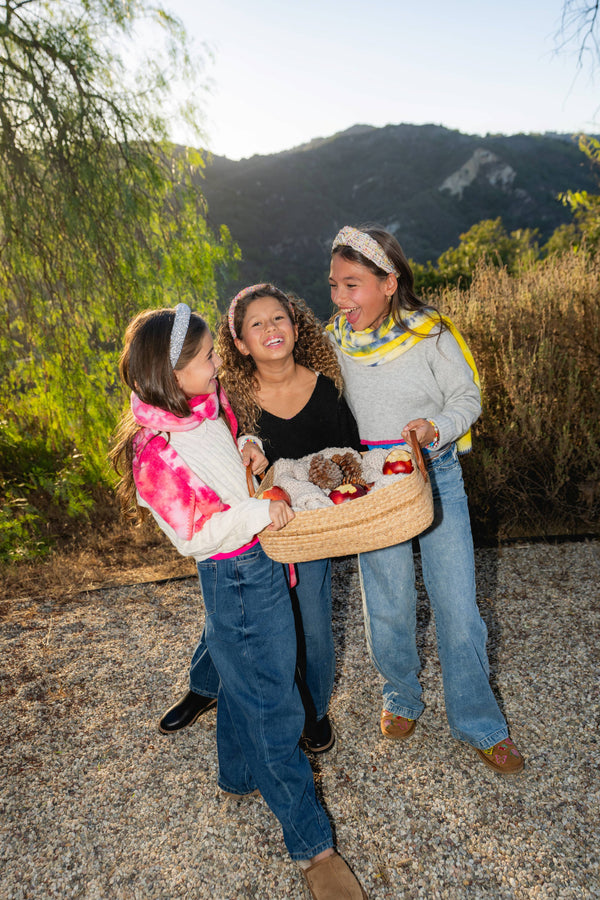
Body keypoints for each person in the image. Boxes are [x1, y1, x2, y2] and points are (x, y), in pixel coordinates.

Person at [110, 304, 367, 899]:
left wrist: (247, 445)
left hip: (256, 567)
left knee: (239, 673)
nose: (217, 361)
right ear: (173, 375)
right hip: (238, 577)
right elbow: (195, 536)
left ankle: (238, 774)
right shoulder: (156, 454)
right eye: (206, 358)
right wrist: (260, 509)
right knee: (274, 705)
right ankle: (313, 847)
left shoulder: (204, 403)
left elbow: (223, 454)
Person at [326, 225, 524, 776]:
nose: (340, 299)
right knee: (386, 601)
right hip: (374, 487)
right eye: (334, 286)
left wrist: (437, 427)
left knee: (458, 604)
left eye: (352, 285)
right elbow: (302, 399)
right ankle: (401, 696)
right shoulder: (332, 341)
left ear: (389, 283)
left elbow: (468, 396)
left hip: (434, 473)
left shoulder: (431, 331)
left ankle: (480, 723)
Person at [159, 284, 362, 756]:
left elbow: (348, 455)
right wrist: (250, 443)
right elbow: (222, 440)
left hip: (304, 527)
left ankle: (314, 708)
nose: (271, 329)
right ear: (241, 343)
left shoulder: (325, 386)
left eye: (279, 318)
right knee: (230, 614)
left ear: (295, 325)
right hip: (247, 520)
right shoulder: (225, 390)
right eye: (257, 323)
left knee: (311, 619)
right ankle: (206, 686)